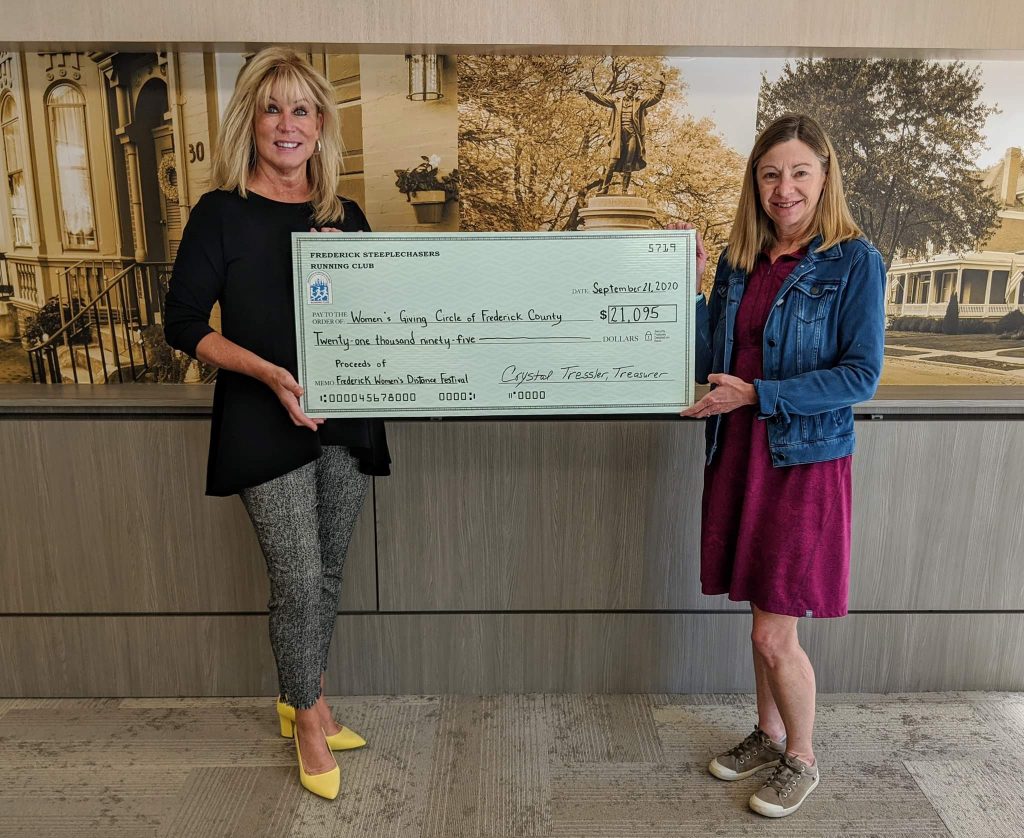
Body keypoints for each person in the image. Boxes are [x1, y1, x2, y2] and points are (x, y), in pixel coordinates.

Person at [164, 47, 390, 801]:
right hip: (265, 420)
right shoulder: (221, 213)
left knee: (327, 572)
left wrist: (357, 274)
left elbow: (384, 319)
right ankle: (304, 719)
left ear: (321, 125)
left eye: (301, 109)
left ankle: (310, 694)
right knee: (295, 581)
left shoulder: (344, 217)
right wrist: (267, 372)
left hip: (345, 418)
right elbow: (182, 322)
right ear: (251, 122)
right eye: (272, 108)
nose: (286, 125)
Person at [674, 112, 885, 817]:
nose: (784, 187)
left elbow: (860, 375)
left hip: (802, 462)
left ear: (824, 177)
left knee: (774, 629)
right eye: (770, 173)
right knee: (761, 611)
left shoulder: (854, 260)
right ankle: (766, 734)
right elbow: (709, 356)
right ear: (754, 183)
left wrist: (759, 393)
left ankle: (802, 756)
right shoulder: (740, 260)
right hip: (739, 453)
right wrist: (686, 278)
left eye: (798, 171)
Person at [581, 78, 665, 194]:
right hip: (619, 135)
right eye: (630, 88)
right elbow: (602, 100)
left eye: (634, 89)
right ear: (626, 89)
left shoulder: (639, 103)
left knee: (628, 163)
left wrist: (661, 88)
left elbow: (654, 99)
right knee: (612, 162)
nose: (631, 90)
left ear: (635, 91)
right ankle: (605, 188)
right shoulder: (616, 101)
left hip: (632, 135)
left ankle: (624, 190)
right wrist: (588, 93)